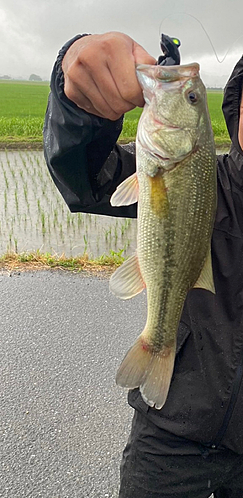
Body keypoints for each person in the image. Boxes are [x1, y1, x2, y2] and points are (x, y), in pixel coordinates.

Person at [43, 32, 243, 498]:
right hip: (170, 441)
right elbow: (91, 180)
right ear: (236, 114)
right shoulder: (201, 175)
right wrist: (80, 106)